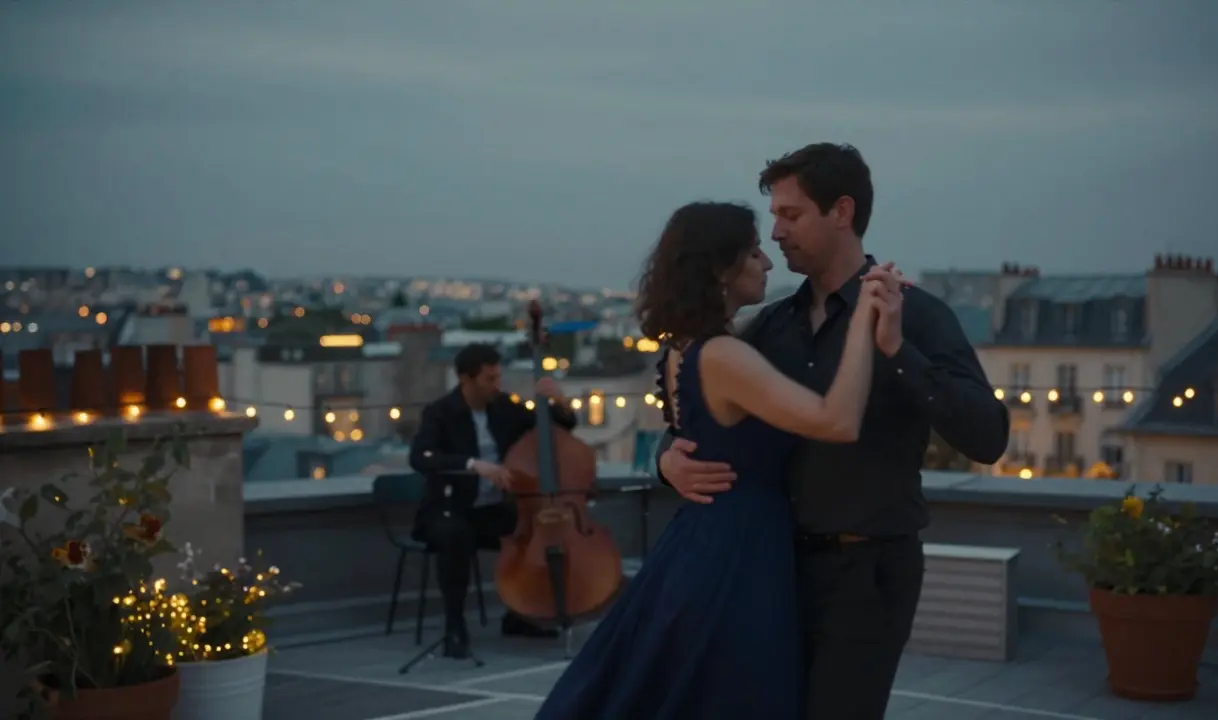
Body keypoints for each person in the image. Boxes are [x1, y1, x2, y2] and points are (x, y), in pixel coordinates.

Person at [655, 143, 1010, 719]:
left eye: (790, 215)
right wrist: (667, 457)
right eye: (773, 216)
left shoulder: (917, 314)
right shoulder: (769, 324)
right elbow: (702, 407)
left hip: (866, 574)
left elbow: (988, 438)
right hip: (770, 569)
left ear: (841, 212)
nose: (775, 233)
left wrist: (897, 349)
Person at [536, 200, 904, 719]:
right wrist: (864, 324)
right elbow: (837, 421)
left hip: (703, 538)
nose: (768, 262)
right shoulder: (723, 355)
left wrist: (666, 459)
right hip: (738, 550)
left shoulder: (684, 349)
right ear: (720, 269)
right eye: (753, 253)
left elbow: (691, 432)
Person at [408, 342, 575, 658]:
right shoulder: (440, 413)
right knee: (455, 537)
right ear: (466, 379)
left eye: (498, 377)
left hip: (492, 510)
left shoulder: (503, 407)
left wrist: (559, 400)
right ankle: (455, 627)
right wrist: (473, 465)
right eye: (489, 379)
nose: (497, 385)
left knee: (535, 531)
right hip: (449, 510)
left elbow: (556, 426)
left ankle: (520, 614)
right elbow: (420, 457)